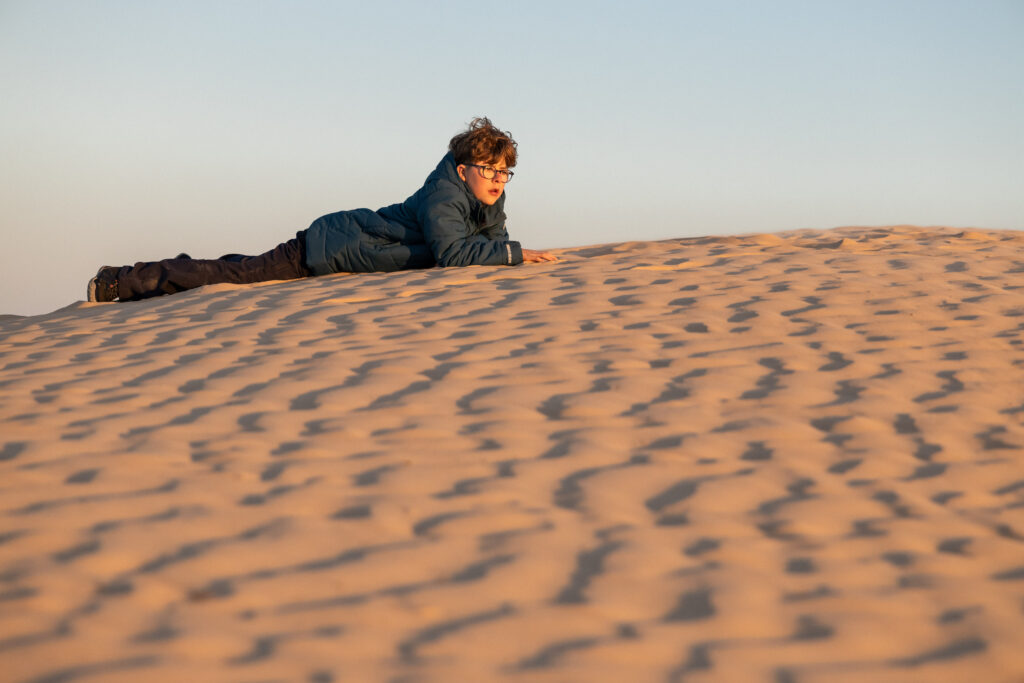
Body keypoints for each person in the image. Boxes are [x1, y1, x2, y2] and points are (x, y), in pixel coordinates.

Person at [87, 117, 558, 303]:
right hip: (329, 248)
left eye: (504, 172)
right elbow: (454, 253)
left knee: (240, 270)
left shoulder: (484, 199)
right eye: (489, 169)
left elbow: (491, 241)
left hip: (341, 251)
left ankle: (176, 270)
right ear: (461, 169)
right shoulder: (444, 197)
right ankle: (123, 281)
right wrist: (513, 255)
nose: (498, 179)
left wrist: (508, 251)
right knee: (235, 277)